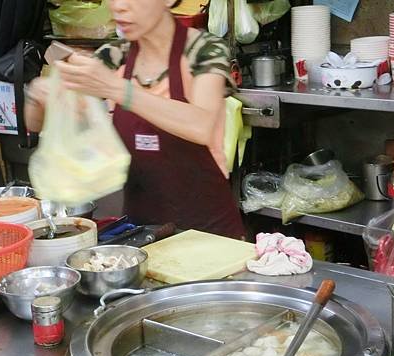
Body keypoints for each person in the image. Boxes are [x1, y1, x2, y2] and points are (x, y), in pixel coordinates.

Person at [26, 0, 245, 238]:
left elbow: (200, 125)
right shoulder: (114, 57)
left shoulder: (204, 50)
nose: (118, 6)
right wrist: (39, 97)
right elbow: (37, 123)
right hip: (140, 233)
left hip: (210, 232)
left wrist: (117, 88)